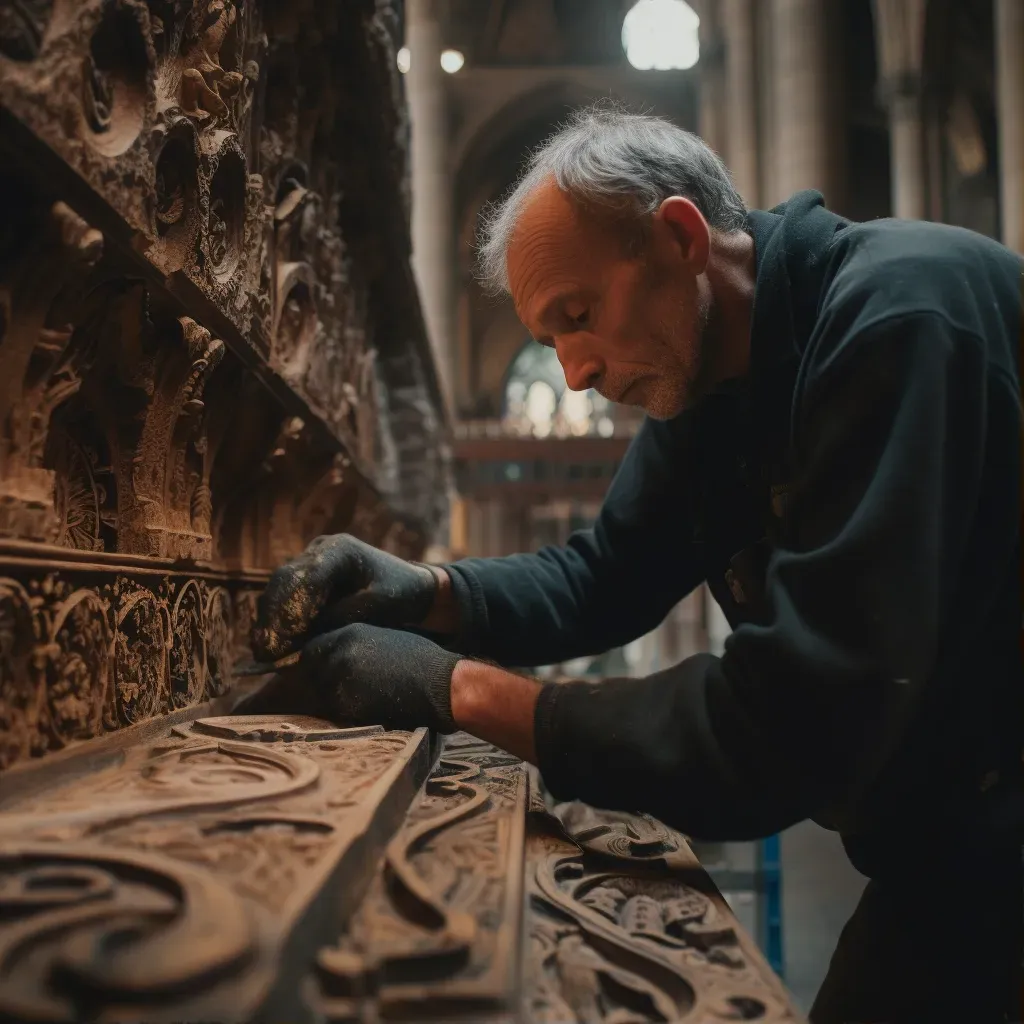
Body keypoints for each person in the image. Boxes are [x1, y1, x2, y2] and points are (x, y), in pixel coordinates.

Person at [246, 106, 1023, 1023]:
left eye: (579, 318)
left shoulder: (899, 319)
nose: (574, 373)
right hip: (950, 837)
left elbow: (796, 723)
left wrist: (457, 691)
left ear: (681, 237)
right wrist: (429, 593)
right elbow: (603, 574)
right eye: (550, 341)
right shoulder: (707, 373)